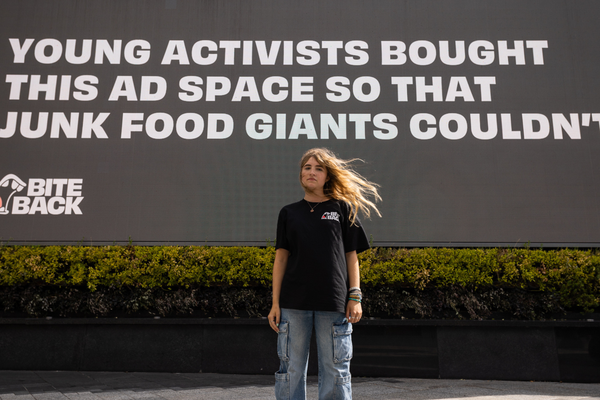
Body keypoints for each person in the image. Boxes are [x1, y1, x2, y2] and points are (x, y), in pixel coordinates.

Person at [268, 147, 381, 400]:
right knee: (291, 369)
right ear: (300, 174)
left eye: (318, 168)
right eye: (307, 167)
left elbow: (351, 256)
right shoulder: (289, 213)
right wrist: (275, 303)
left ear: (328, 176)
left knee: (335, 369)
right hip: (293, 303)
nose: (311, 172)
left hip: (334, 302)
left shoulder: (343, 209)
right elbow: (281, 258)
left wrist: (356, 296)